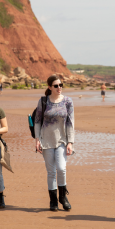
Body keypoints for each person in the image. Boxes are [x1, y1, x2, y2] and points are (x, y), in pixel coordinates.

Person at [34, 75, 75, 211]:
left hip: (62, 140)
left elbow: (70, 123)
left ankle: (63, 197)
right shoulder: (43, 101)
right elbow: (38, 121)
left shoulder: (68, 101)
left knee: (61, 169)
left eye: (61, 85)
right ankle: (53, 201)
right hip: (46, 140)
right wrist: (37, 139)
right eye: (56, 85)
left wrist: (70, 142)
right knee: (51, 172)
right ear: (50, 87)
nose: (59, 88)